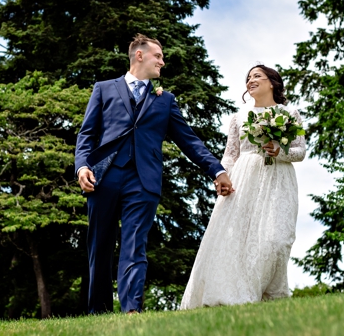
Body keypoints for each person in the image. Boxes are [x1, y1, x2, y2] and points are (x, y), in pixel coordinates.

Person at [75, 34, 234, 314]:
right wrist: (82, 166)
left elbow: (189, 140)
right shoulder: (103, 89)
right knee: (99, 248)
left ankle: (132, 310)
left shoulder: (165, 99)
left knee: (135, 243)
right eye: (158, 56)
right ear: (139, 55)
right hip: (104, 177)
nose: (162, 61)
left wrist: (217, 169)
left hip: (143, 180)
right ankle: (98, 312)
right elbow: (87, 134)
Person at [180, 65, 306, 309]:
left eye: (257, 76)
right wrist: (222, 178)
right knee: (239, 239)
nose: (251, 80)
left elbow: (300, 151)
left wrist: (280, 151)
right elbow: (231, 155)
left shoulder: (289, 113)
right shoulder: (239, 117)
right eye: (248, 78)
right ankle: (242, 295)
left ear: (272, 82)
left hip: (278, 180)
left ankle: (269, 293)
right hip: (244, 179)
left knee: (276, 239)